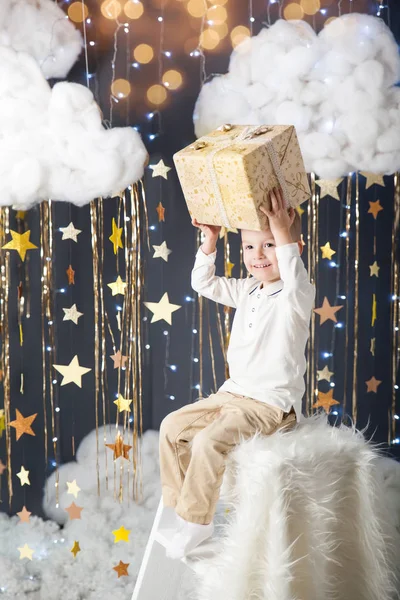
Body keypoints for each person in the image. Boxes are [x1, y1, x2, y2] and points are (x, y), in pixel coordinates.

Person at [159, 187, 315, 560]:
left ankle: (197, 524)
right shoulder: (248, 290)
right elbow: (203, 283)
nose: (258, 256)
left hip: (270, 405)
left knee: (209, 441)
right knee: (171, 428)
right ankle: (183, 511)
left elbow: (292, 270)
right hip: (232, 394)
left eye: (270, 246)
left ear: (295, 249)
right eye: (249, 247)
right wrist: (209, 240)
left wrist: (283, 231)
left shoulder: (298, 294)